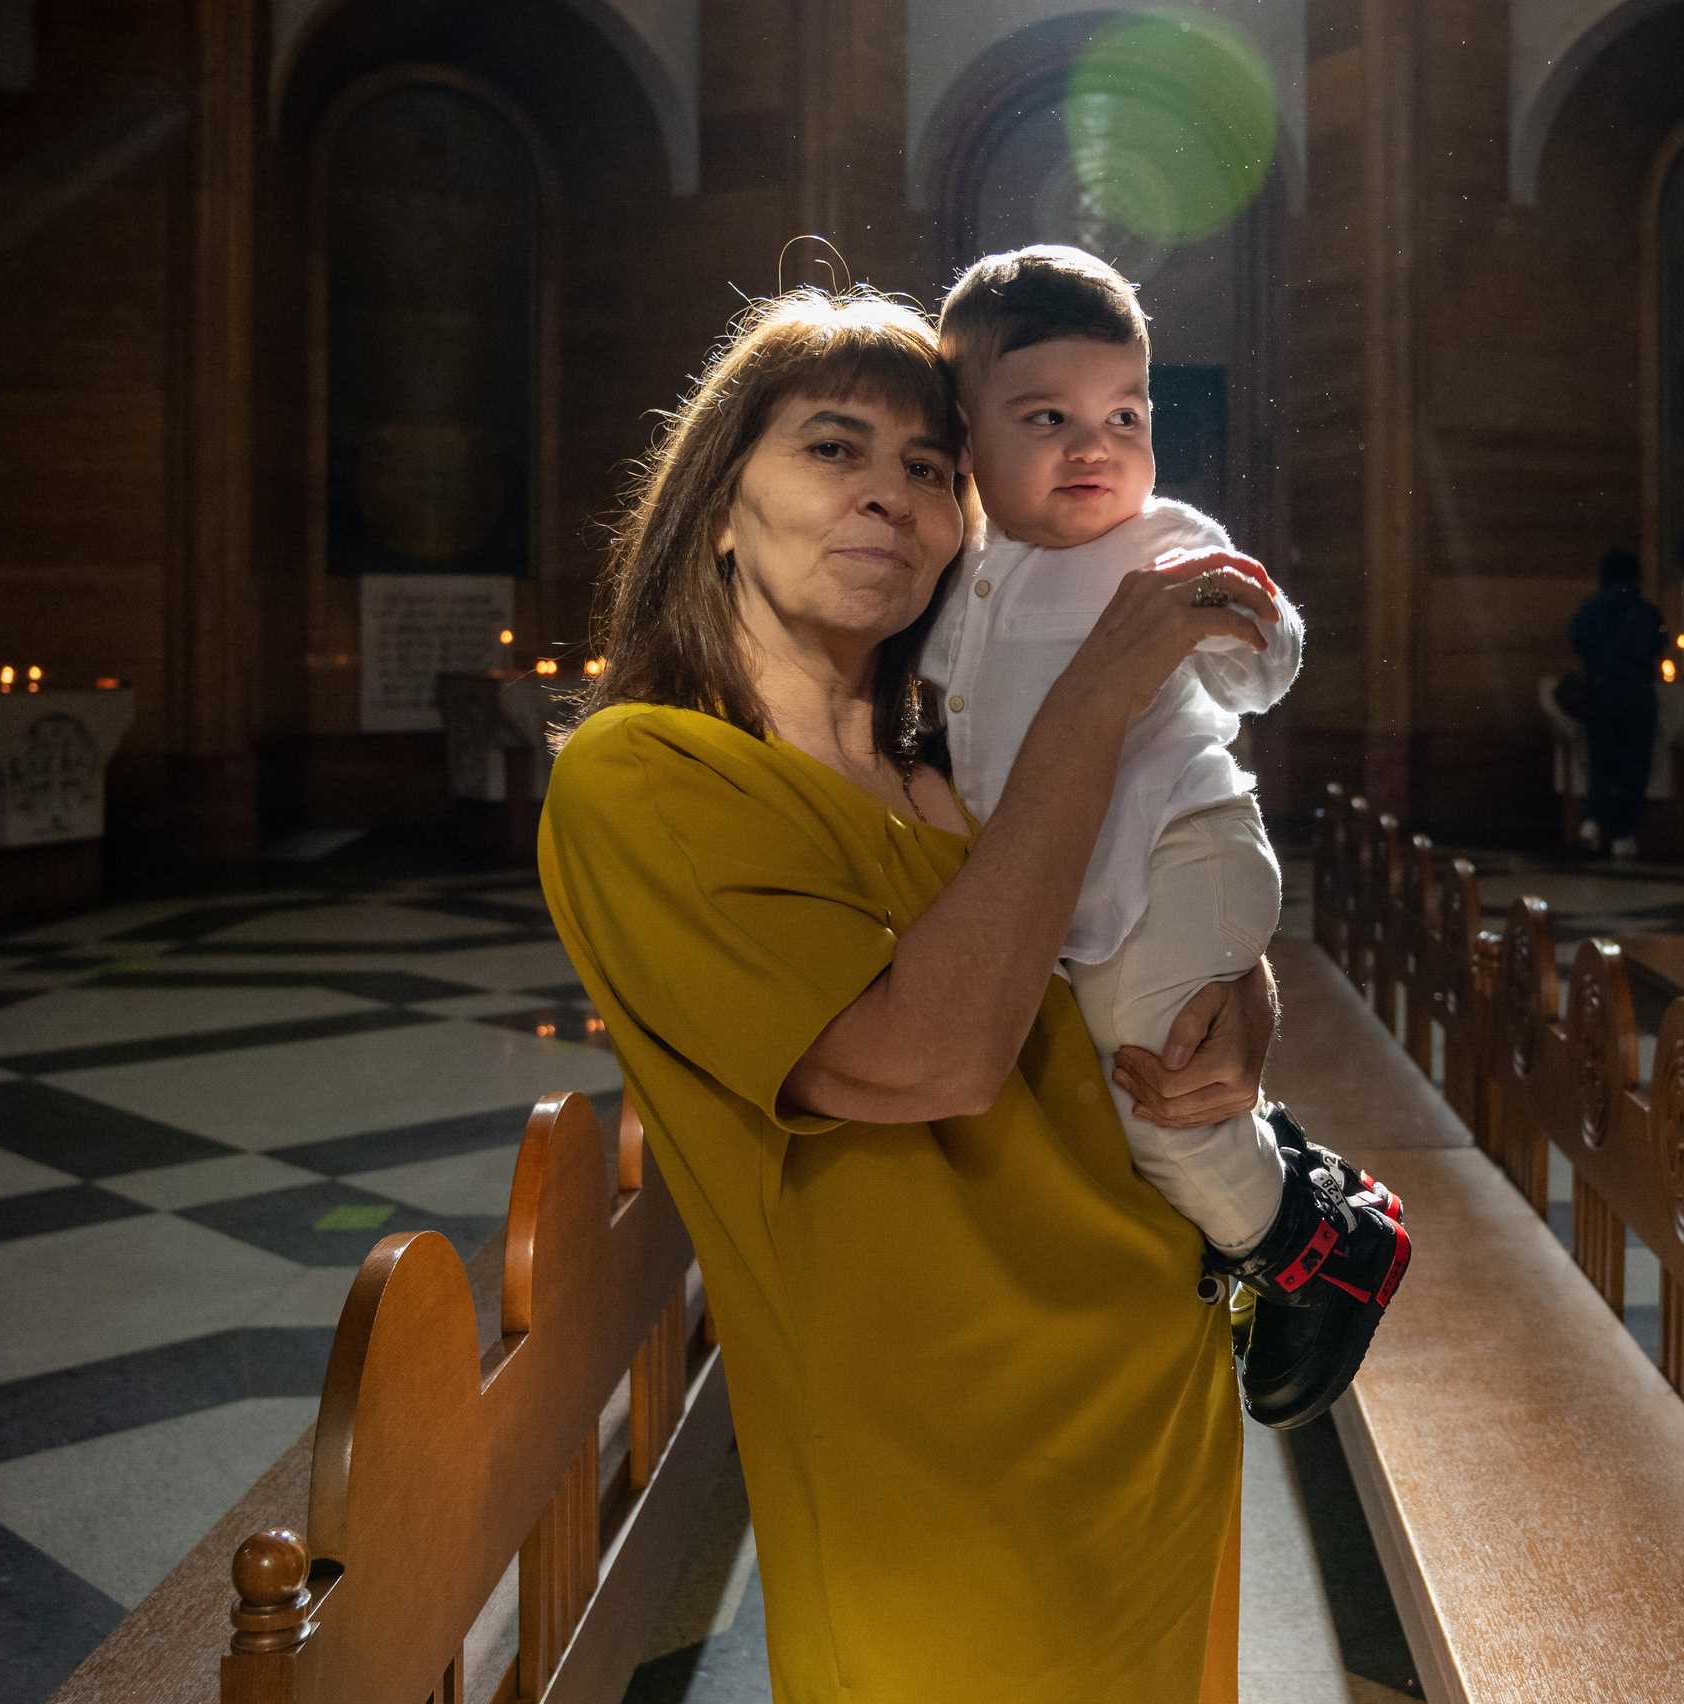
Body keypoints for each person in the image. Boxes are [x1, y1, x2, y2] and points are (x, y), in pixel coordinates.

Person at [538, 288, 1284, 1701]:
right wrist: (1097, 694)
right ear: (715, 504)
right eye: (833, 450)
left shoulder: (957, 770)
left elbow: (1140, 941)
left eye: (931, 469)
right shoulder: (643, 777)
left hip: (1152, 1395)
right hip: (930, 1475)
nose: (891, 495)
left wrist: (1243, 1016)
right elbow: (931, 1056)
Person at [927, 246, 1408, 1431]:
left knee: (1157, 1092)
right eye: (1048, 417)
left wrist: (1250, 630)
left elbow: (1261, 658)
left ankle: (1320, 1253)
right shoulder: (950, 570)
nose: (1095, 446)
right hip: (1071, 894)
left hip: (1176, 855)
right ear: (964, 434)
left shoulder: (1156, 542)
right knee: (1114, 1091)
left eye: (1125, 414)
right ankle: (1285, 1180)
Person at [1567, 546, 1669, 859]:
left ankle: (1591, 825)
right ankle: (1624, 836)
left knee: (1600, 761)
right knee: (1633, 764)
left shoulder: (1590, 608)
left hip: (1603, 692)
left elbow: (1576, 639)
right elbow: (1660, 644)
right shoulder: (1646, 611)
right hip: (1638, 695)